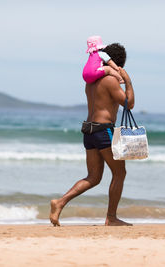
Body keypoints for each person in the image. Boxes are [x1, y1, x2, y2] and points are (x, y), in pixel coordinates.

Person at [50, 43, 134, 226]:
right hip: (104, 130)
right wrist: (128, 81)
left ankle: (59, 203)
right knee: (120, 173)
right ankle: (111, 218)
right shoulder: (110, 81)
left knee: (93, 177)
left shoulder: (91, 81)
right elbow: (129, 104)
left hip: (89, 130)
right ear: (119, 64)